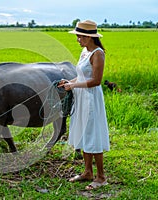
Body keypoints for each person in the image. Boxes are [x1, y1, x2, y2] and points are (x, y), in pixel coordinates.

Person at [58, 20, 110, 190]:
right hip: (81, 98)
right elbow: (81, 76)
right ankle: (87, 172)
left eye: (80, 36)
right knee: (84, 134)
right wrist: (69, 81)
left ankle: (101, 177)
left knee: (92, 134)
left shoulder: (98, 53)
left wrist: (72, 86)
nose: (78, 39)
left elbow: (95, 81)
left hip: (91, 98)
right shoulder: (84, 52)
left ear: (89, 37)